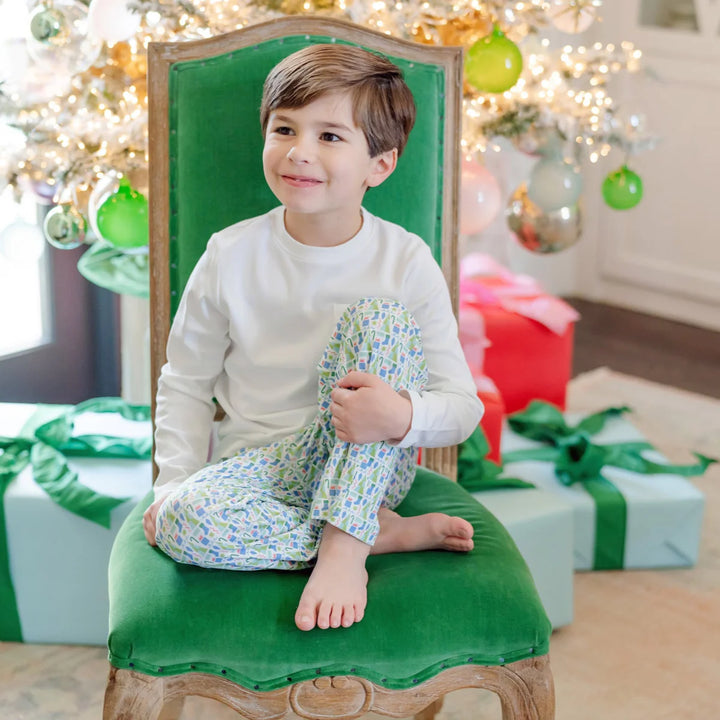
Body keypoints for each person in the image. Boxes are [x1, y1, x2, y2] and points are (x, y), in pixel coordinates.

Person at [142, 43, 484, 632]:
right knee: (181, 520)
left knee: (377, 319)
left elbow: (463, 408)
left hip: (370, 460)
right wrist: (171, 485)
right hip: (261, 471)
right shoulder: (230, 253)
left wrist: (399, 416)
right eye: (284, 128)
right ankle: (380, 532)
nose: (300, 152)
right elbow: (187, 383)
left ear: (380, 164)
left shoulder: (405, 259)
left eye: (330, 136)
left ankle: (347, 542)